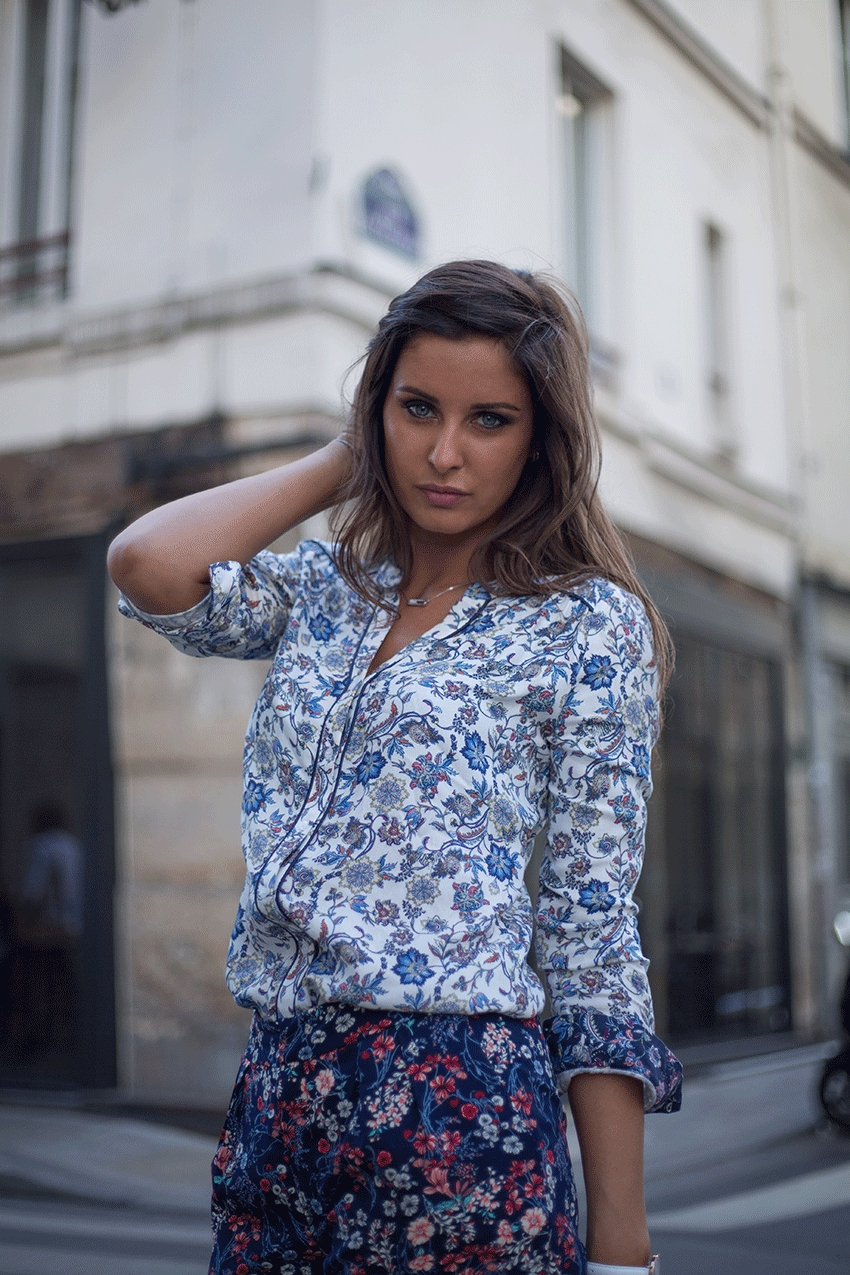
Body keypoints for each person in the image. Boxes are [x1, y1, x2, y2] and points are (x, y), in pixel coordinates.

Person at [108, 260, 681, 1275]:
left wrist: (622, 1248)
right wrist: (352, 453)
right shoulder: (325, 593)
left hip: (457, 1116)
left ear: (539, 438)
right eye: (418, 408)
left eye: (490, 420)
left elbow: (590, 932)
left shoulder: (586, 624)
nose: (445, 453)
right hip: (279, 1100)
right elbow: (149, 565)